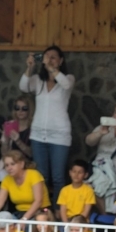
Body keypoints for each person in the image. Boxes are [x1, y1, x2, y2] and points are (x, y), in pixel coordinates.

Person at [20, 46, 75, 198]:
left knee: (58, 177)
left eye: (53, 57)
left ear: (61, 60)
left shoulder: (68, 78)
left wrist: (51, 69)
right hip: (38, 135)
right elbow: (23, 86)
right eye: (47, 57)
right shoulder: (38, 80)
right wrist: (30, 67)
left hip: (60, 136)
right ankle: (42, 212)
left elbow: (66, 85)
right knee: (41, 176)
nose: (49, 60)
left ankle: (58, 212)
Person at [0, 150, 50, 220]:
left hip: (40, 212)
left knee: (27, 226)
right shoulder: (7, 179)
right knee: (2, 222)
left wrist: (24, 219)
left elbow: (38, 201)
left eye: (12, 164)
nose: (9, 168)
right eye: (6, 165)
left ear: (22, 164)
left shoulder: (34, 175)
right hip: (20, 213)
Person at [85, 98, 116, 191]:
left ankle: (108, 206)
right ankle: (109, 206)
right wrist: (100, 133)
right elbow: (88, 142)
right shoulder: (105, 127)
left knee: (98, 186)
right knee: (89, 187)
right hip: (99, 168)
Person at [0, 95, 34, 167]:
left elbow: (32, 154)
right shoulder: (10, 124)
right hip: (12, 164)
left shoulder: (33, 127)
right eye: (17, 108)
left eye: (24, 108)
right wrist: (6, 140)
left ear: (30, 110)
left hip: (27, 164)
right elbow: (4, 154)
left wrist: (18, 141)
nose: (20, 111)